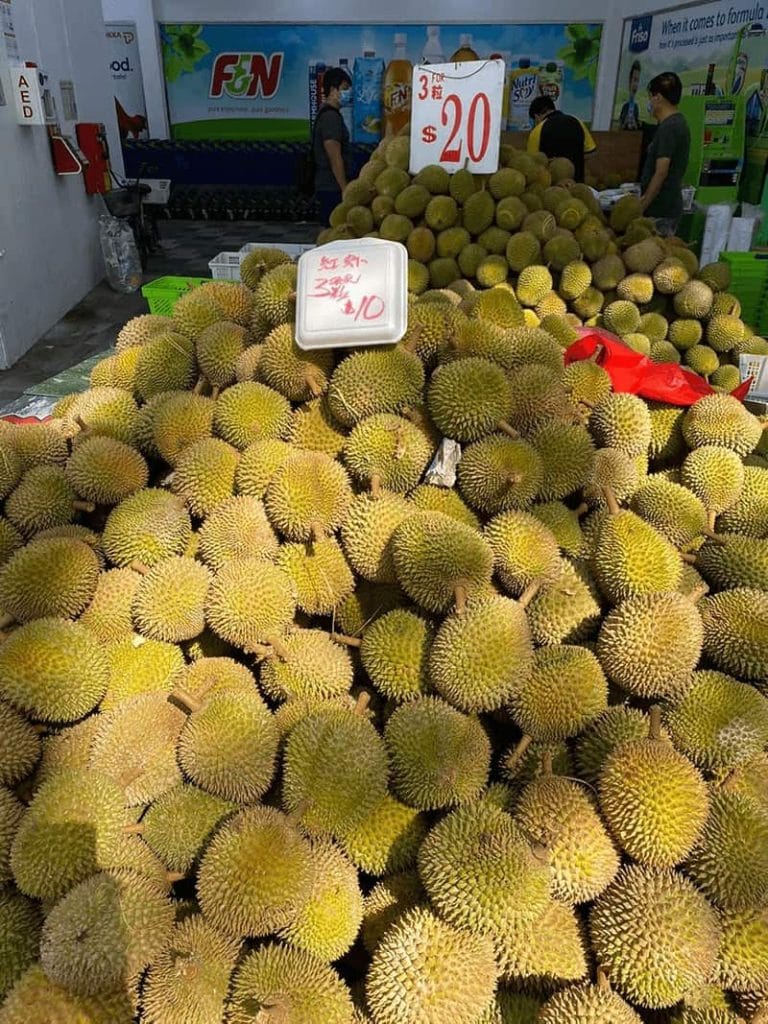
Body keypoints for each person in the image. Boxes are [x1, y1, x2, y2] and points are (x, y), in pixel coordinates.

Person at [639, 72, 691, 237]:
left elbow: (661, 171)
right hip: (667, 206)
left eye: (650, 97)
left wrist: (642, 205)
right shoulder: (679, 123)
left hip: (661, 210)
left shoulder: (669, 128)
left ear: (658, 98)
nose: (650, 103)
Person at [313, 67, 353, 225]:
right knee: (332, 232)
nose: (348, 93)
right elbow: (335, 157)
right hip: (332, 187)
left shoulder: (329, 114)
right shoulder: (330, 118)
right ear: (332, 89)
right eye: (344, 89)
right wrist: (345, 189)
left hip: (329, 185)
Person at [527, 95, 597, 183]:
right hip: (577, 184)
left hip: (552, 189)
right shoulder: (577, 121)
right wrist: (574, 160)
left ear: (537, 116)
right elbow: (592, 153)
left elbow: (532, 164)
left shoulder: (538, 130)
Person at [619, 60, 641, 130]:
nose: (635, 84)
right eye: (634, 80)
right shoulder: (624, 105)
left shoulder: (637, 106)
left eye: (637, 81)